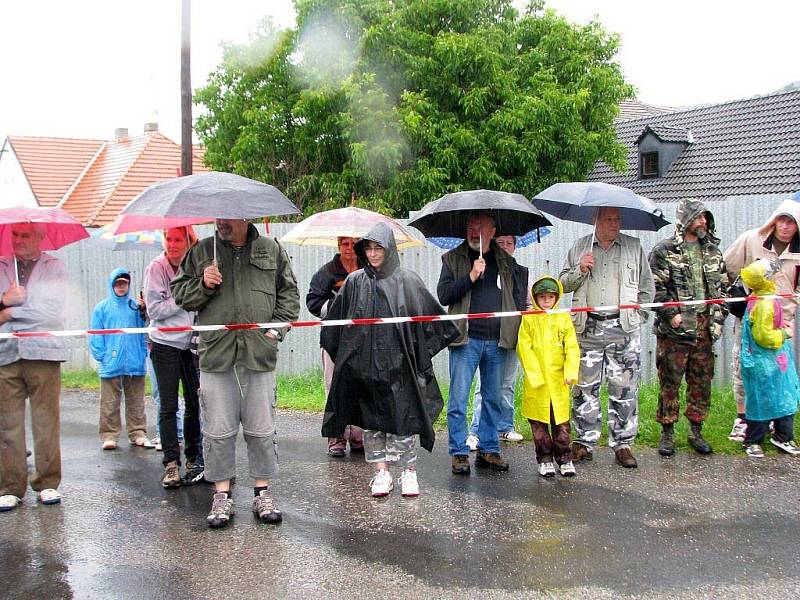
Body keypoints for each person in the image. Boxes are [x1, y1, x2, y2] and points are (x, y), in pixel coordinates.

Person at [172, 219, 299, 529]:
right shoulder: (202, 251)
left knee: (261, 429)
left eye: (228, 217)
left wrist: (276, 329)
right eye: (218, 218)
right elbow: (180, 294)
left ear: (244, 217)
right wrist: (203, 283)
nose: (221, 223)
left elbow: (289, 294)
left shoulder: (271, 250)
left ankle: (263, 493)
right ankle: (221, 495)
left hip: (259, 353)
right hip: (217, 355)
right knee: (217, 430)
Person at [321, 223, 458, 497]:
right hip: (365, 368)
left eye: (378, 248)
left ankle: (409, 472)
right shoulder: (355, 282)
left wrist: (418, 355)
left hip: (400, 367)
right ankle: (381, 473)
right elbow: (335, 324)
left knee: (403, 422)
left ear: (389, 249)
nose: (372, 254)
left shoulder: (407, 280)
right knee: (372, 425)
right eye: (368, 248)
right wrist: (348, 357)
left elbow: (433, 320)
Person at [559, 207, 654, 468]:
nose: (614, 224)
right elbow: (562, 284)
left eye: (617, 219)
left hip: (622, 328)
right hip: (587, 328)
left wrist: (638, 318)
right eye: (609, 219)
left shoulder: (633, 247)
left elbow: (647, 288)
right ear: (595, 221)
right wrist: (580, 269)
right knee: (584, 388)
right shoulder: (580, 247)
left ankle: (622, 443)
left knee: (624, 389)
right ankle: (584, 441)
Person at [437, 212, 522, 475]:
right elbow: (444, 295)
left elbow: (517, 296)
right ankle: (459, 452)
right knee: (459, 399)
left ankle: (488, 449)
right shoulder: (453, 258)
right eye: (471, 227)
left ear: (493, 231)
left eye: (480, 227)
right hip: (466, 339)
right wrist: (471, 276)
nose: (475, 232)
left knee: (493, 399)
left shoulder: (506, 261)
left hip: (497, 340)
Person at [649, 198, 728, 456]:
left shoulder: (714, 252)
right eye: (698, 217)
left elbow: (724, 289)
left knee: (701, 381)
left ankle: (696, 430)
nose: (703, 222)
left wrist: (718, 317)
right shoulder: (664, 250)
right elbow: (654, 290)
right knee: (670, 381)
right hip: (675, 330)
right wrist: (672, 315)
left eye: (706, 217)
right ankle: (667, 433)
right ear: (685, 220)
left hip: (705, 330)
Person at [0, 223, 69, 512]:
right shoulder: (2, 265)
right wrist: (4, 299)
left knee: (45, 420)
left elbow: (52, 310)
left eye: (26, 235)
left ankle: (47, 482)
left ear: (40, 237)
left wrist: (10, 311)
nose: (19, 240)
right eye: (15, 234)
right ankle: (10, 487)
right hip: (5, 354)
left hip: (43, 352)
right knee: (7, 424)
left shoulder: (55, 267)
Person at [722, 199, 800, 442]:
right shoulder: (751, 239)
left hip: (782, 321)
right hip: (750, 319)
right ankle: (743, 419)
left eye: (792, 222)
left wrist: (790, 323)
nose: (785, 226)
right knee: (744, 367)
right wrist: (735, 297)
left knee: (778, 373)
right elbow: (726, 267)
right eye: (782, 219)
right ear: (774, 219)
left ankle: (777, 424)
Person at [144, 226, 205, 488]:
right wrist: (184, 297)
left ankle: (194, 458)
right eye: (168, 239)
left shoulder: (196, 264)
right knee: (168, 405)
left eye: (178, 239)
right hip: (164, 343)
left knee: (194, 403)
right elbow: (155, 309)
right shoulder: (156, 268)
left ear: (189, 241)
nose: (172, 244)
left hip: (191, 344)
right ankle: (171, 464)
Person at [466, 234, 529, 449]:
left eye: (509, 243)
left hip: (511, 334)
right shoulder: (485, 269)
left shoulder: (520, 271)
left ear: (515, 246)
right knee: (484, 386)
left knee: (507, 384)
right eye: (500, 243)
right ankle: (475, 430)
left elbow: (523, 302)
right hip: (488, 335)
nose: (504, 247)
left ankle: (504, 427)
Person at [306, 236, 364, 457]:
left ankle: (358, 436)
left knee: (360, 386)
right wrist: (336, 304)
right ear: (338, 246)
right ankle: (336, 438)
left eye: (353, 243)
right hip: (333, 340)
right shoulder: (326, 272)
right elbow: (312, 302)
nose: (349, 248)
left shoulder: (367, 269)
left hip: (361, 340)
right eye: (345, 244)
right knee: (334, 387)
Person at [517, 276, 580, 477]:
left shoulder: (563, 318)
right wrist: (534, 376)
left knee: (561, 424)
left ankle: (564, 458)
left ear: (556, 297)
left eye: (550, 297)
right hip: (538, 385)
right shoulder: (529, 318)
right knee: (539, 426)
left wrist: (571, 371)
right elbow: (524, 348)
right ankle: (544, 459)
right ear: (535, 298)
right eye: (542, 297)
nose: (546, 301)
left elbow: (572, 347)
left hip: (559, 382)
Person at [738, 259, 800, 458]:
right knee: (763, 401)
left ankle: (783, 436)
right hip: (765, 361)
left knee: (783, 397)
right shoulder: (764, 304)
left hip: (773, 361)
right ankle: (754, 440)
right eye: (770, 273)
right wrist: (784, 334)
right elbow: (763, 336)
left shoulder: (762, 298)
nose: (775, 275)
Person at [89, 268, 151, 451]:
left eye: (124, 283)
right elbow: (96, 334)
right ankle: (109, 435)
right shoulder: (102, 308)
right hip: (111, 362)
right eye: (118, 283)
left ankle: (138, 432)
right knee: (109, 402)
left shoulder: (136, 307)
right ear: (112, 285)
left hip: (135, 361)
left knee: (136, 401)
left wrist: (144, 309)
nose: (121, 287)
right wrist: (103, 356)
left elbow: (146, 328)